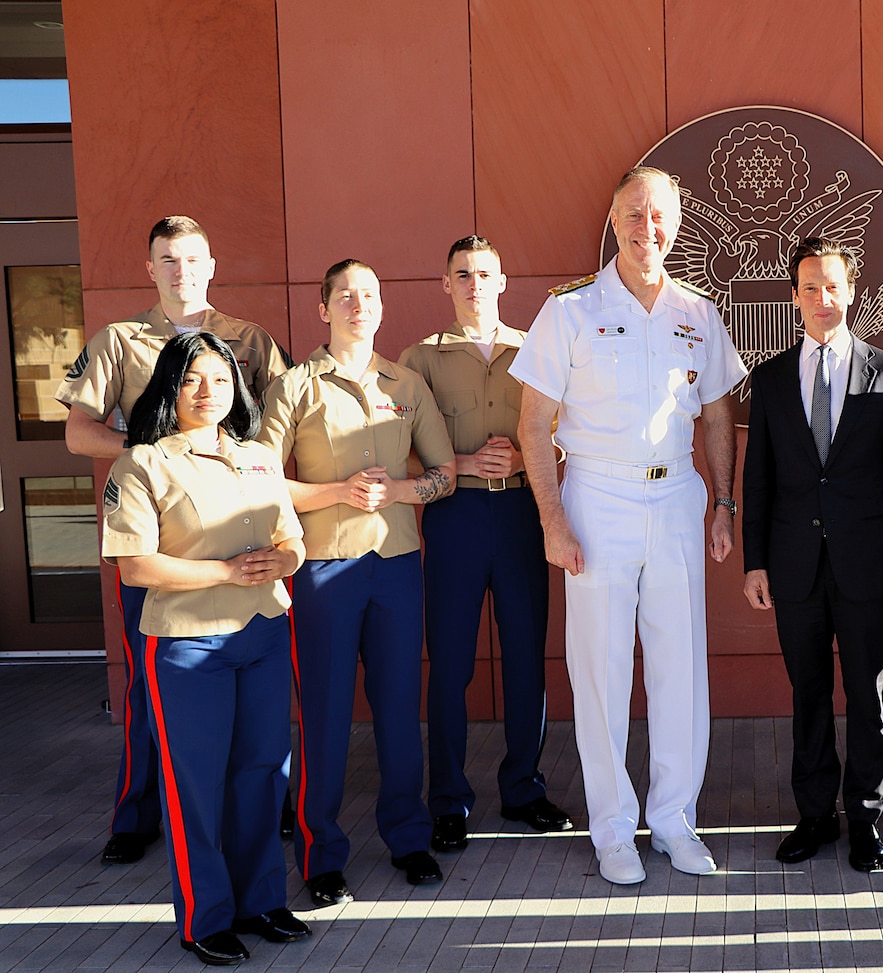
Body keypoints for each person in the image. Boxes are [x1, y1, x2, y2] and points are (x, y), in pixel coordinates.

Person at [510, 166, 746, 885]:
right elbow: (532, 424)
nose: (649, 228)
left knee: (681, 671)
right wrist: (554, 521)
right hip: (598, 499)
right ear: (614, 221)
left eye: (661, 215)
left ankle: (675, 821)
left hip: (676, 496)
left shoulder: (699, 312)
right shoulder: (570, 309)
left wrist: (724, 501)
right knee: (602, 672)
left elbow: (716, 414)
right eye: (635, 214)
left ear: (678, 223)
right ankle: (613, 828)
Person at [56, 215, 290, 867]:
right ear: (150, 267)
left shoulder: (249, 340)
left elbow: (284, 425)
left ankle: (269, 806)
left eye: (192, 258)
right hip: (163, 540)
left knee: (261, 687)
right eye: (167, 258)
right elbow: (79, 433)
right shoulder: (119, 340)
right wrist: (154, 453)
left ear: (211, 265)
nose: (181, 269)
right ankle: (138, 813)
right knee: (149, 684)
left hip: (244, 539)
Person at [101, 332, 308, 966]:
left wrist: (282, 558)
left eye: (220, 378)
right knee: (196, 784)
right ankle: (205, 916)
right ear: (170, 385)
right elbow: (134, 566)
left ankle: (262, 901)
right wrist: (225, 573)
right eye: (193, 378)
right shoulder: (142, 464)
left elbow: (292, 538)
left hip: (265, 632)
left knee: (263, 772)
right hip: (190, 645)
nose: (208, 391)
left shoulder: (258, 457)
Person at [257, 259, 456, 906]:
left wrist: (399, 488)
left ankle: (407, 835)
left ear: (381, 305)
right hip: (323, 574)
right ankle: (319, 853)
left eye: (369, 293)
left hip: (397, 566)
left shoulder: (408, 382)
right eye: (345, 295)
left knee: (400, 707)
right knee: (325, 714)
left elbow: (445, 472)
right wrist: (335, 492)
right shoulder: (295, 386)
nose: (358, 303)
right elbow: (259, 477)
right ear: (324, 309)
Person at [742, 237, 883, 872]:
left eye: (833, 286)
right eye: (810, 288)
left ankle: (866, 818)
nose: (823, 299)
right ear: (794, 298)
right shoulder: (767, 380)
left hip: (869, 565)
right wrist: (754, 562)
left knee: (867, 693)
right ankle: (814, 814)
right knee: (809, 692)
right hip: (793, 564)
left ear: (852, 292)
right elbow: (757, 480)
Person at [398, 236, 570, 852]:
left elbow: (570, 431)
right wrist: (465, 460)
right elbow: (403, 445)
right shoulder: (418, 360)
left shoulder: (539, 350)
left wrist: (529, 455)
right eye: (462, 274)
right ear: (445, 284)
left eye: (485, 274)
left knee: (526, 656)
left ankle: (523, 788)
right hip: (456, 514)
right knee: (450, 662)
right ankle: (447, 800)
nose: (474, 284)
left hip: (525, 511)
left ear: (503, 281)